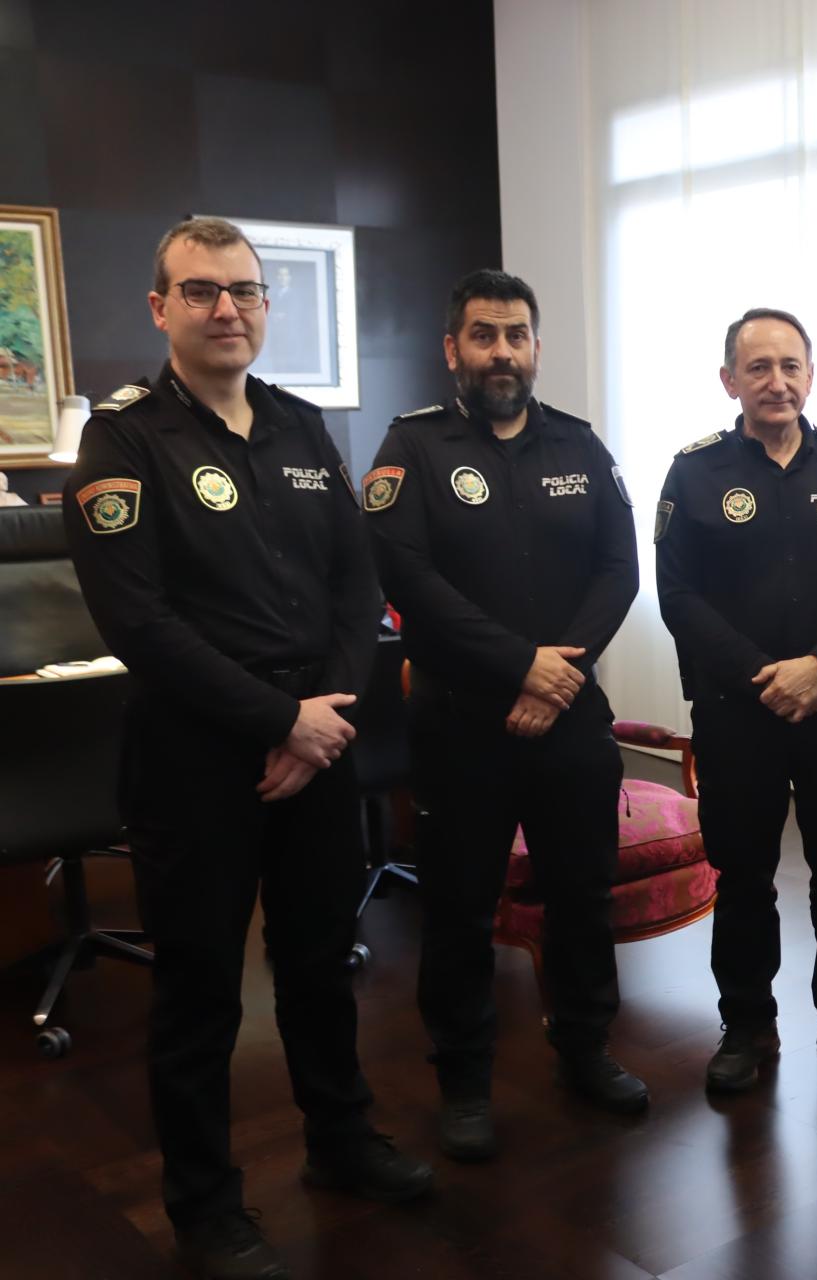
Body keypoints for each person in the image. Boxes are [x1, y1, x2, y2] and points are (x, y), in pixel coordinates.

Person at [62, 217, 432, 1280]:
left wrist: (324, 719)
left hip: (318, 742)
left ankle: (341, 1140)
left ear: (267, 305)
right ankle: (206, 1207)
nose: (226, 308)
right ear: (160, 308)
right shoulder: (125, 440)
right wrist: (280, 722)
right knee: (200, 990)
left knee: (320, 961)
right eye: (201, 290)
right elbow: (139, 623)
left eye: (245, 290)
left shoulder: (303, 427)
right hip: (196, 756)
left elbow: (358, 586)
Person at [363, 270, 646, 1165]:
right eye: (483, 336)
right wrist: (521, 664)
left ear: (535, 347)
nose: (501, 352)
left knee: (582, 897)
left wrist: (558, 674)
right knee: (458, 908)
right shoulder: (412, 447)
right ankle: (463, 1081)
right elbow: (408, 579)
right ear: (453, 349)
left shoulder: (579, 444)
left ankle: (586, 1049)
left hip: (570, 720)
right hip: (461, 727)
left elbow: (619, 570)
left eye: (516, 335)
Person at [655, 308, 817, 1092]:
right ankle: (746, 1025)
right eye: (758, 367)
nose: (776, 382)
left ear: (811, 376)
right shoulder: (694, 472)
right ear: (730, 380)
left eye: (791, 366)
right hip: (737, 713)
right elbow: (678, 596)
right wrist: (766, 674)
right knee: (744, 879)